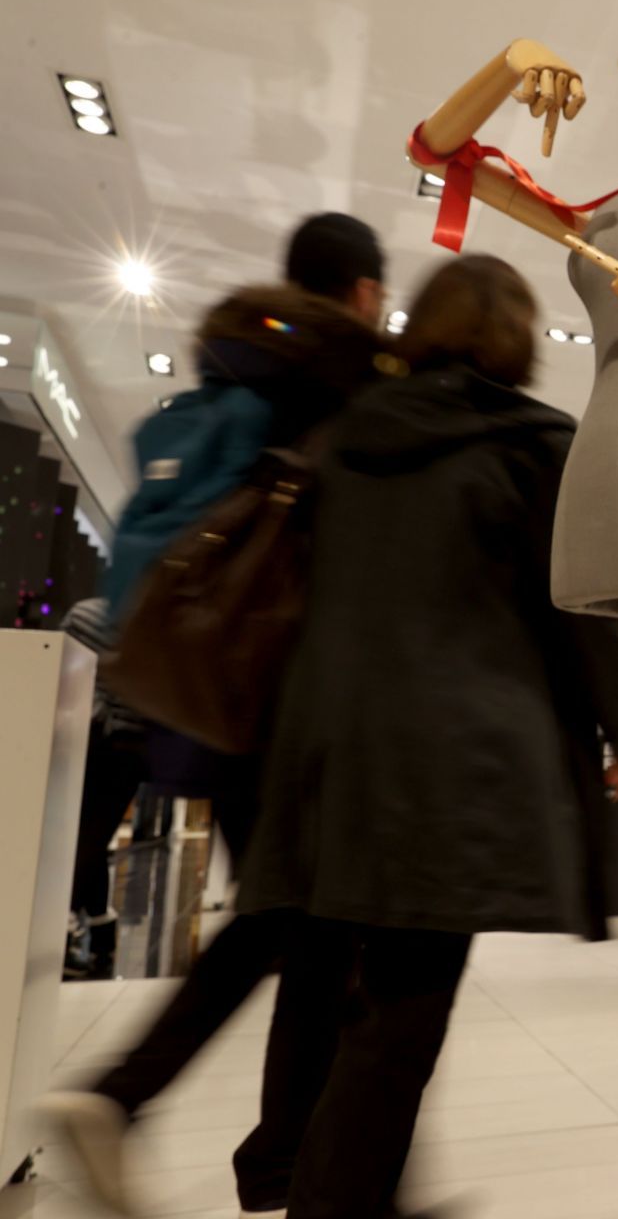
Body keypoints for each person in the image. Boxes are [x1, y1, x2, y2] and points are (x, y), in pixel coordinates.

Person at [237, 254, 618, 1217]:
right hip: (447, 766)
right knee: (403, 1016)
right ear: (516, 338)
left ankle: (308, 1178)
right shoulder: (533, 443)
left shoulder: (344, 441)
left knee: (343, 993)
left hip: (328, 753)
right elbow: (577, 610)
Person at [41, 212, 389, 1217]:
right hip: (290, 689)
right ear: (363, 290)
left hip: (212, 688)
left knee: (305, 925)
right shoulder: (338, 372)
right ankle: (128, 1095)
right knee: (304, 918)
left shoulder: (236, 363)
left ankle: (285, 1161)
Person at [59, 596, 148, 981]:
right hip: (126, 746)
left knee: (79, 838)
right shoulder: (154, 617)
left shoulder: (84, 613)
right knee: (91, 839)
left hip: (85, 738)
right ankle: (93, 933)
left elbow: (60, 674)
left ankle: (85, 931)